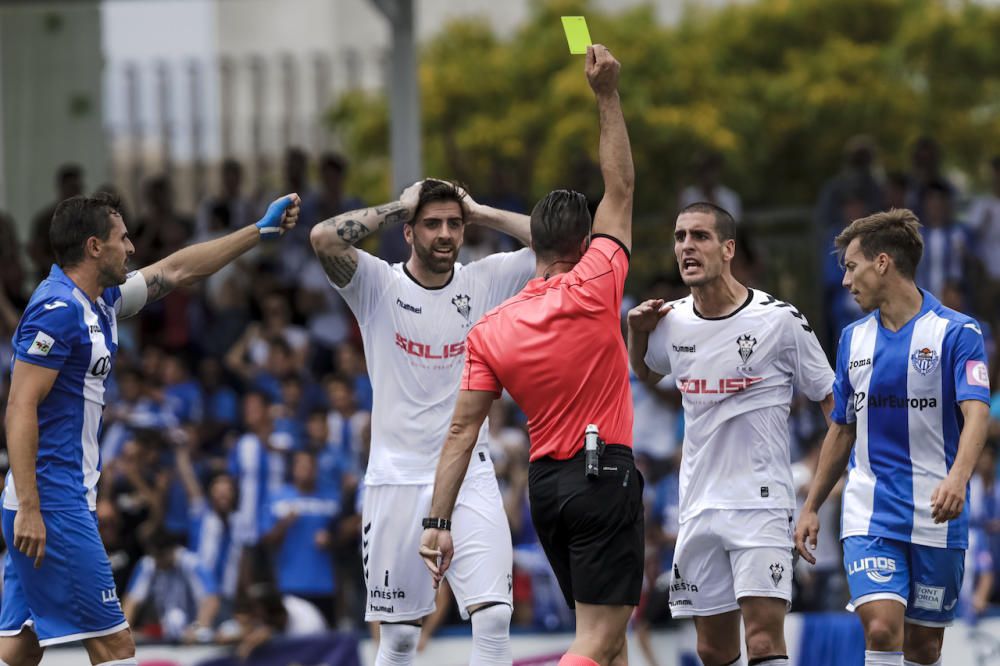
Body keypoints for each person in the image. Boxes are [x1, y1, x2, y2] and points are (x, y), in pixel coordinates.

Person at [0, 190, 299, 666]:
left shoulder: (99, 301)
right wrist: (32, 509)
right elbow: (19, 407)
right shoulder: (57, 311)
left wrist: (256, 232)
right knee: (116, 647)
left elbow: (176, 271)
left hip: (48, 498)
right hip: (52, 502)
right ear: (95, 246)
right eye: (123, 238)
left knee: (20, 646)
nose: (133, 247)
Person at [419, 44, 636, 666]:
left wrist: (438, 522)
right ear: (585, 240)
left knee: (608, 643)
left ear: (535, 242)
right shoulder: (597, 282)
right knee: (596, 641)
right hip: (603, 475)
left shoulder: (490, 327)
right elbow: (619, 184)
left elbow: (462, 430)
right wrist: (606, 95)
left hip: (547, 489)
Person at [310, 174, 535, 662]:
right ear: (409, 233)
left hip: (469, 473)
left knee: (494, 616)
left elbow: (566, 246)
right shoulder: (377, 284)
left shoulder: (484, 279)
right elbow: (323, 238)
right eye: (431, 224)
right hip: (396, 478)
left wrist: (483, 212)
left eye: (454, 224)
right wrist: (399, 205)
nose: (445, 234)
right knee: (400, 637)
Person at [627, 202, 835, 666]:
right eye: (680, 237)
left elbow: (832, 403)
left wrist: (817, 498)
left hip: (761, 504)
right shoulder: (671, 320)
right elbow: (645, 374)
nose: (686, 247)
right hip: (698, 505)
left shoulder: (779, 320)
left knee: (762, 641)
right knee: (712, 649)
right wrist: (636, 335)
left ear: (728, 249)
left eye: (699, 236)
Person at [795, 209, 992, 666]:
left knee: (925, 649)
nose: (845, 281)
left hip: (938, 512)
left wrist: (958, 480)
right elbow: (841, 429)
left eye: (851, 266)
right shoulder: (851, 339)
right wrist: (811, 506)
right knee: (882, 628)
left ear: (882, 262)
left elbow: (977, 413)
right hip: (871, 511)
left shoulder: (957, 332)